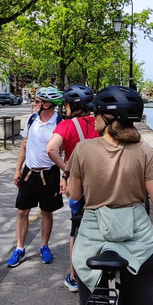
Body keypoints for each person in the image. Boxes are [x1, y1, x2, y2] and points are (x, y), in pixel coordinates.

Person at [66, 86, 153, 305]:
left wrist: (69, 183)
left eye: (97, 113)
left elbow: (75, 194)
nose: (94, 117)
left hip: (93, 241)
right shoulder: (144, 151)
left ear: (108, 118)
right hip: (139, 242)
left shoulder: (83, 149)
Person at [45, 84, 99, 292]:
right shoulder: (101, 122)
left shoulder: (66, 126)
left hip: (77, 183)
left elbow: (51, 149)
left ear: (73, 105)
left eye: (65, 103)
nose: (64, 107)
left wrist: (66, 169)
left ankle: (74, 275)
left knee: (77, 227)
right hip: (101, 182)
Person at [7, 86, 64, 268]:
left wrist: (66, 177)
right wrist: (18, 170)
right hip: (29, 172)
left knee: (47, 211)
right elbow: (24, 145)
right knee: (22, 211)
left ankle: (44, 246)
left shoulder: (60, 123)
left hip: (50, 174)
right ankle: (19, 248)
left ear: (47, 105)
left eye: (38, 101)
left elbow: (67, 151)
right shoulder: (32, 119)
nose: (34, 103)